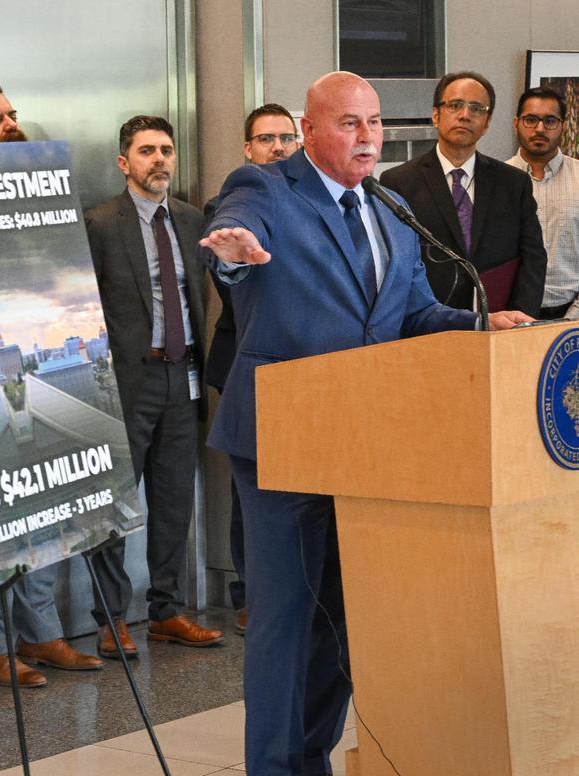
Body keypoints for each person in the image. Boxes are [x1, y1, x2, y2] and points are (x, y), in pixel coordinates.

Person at [200, 71, 531, 776]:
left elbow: (410, 315)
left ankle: (308, 757)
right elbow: (236, 232)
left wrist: (479, 323)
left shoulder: (387, 207)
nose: (368, 137)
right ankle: (272, 768)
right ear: (311, 129)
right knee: (286, 621)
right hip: (283, 442)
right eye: (350, 123)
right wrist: (233, 253)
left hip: (368, 449)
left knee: (344, 626)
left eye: (375, 123)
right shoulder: (267, 190)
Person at [0, 82, 104, 687]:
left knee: (45, 503)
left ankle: (41, 635)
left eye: (14, 116)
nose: (12, 125)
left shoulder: (40, 191)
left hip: (35, 363)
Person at [85, 115, 222, 660]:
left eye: (166, 150)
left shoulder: (192, 221)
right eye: (147, 151)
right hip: (126, 382)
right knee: (114, 506)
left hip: (182, 377)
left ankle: (166, 610)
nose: (159, 160)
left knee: (173, 500)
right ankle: (110, 619)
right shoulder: (99, 223)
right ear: (125, 163)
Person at [206, 103, 300, 637]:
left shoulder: (309, 203)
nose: (278, 147)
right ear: (248, 148)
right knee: (254, 490)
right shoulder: (237, 200)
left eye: (287, 138)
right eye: (266, 139)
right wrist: (237, 253)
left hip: (308, 372)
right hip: (247, 364)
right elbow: (230, 249)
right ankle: (248, 592)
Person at [379, 71, 547, 317]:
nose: (465, 115)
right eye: (455, 105)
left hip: (501, 325)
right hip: (430, 327)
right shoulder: (399, 182)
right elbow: (395, 265)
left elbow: (533, 259)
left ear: (487, 122)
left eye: (477, 109)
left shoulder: (513, 183)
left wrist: (519, 319)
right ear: (436, 115)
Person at [505, 85, 579, 319]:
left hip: (572, 315)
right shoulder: (496, 181)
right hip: (509, 317)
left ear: (563, 126)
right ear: (516, 122)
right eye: (531, 119)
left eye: (550, 121)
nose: (539, 128)